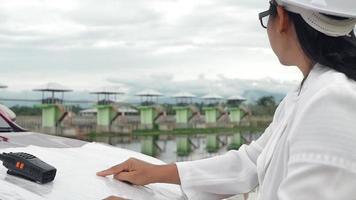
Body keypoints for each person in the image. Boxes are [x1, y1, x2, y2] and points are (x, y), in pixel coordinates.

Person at [97, 0, 356, 199]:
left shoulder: (331, 99)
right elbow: (251, 161)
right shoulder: (306, 92)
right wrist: (155, 173)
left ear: (283, 18)